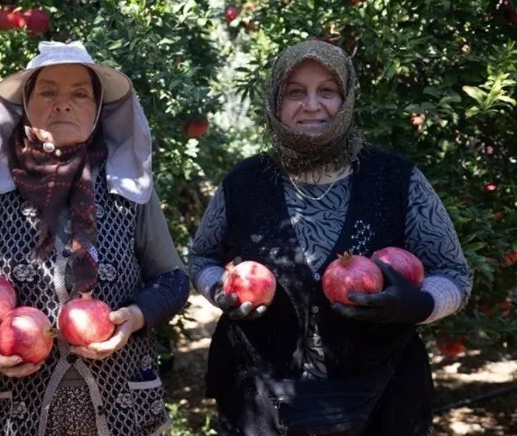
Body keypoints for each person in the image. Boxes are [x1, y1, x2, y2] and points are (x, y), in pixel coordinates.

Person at [188, 40, 472, 436]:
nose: (311, 105)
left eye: (327, 90)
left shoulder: (396, 179)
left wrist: (421, 304)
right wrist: (219, 290)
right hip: (262, 400)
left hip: (381, 398)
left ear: (347, 99)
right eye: (295, 92)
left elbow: (454, 273)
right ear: (276, 102)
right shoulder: (243, 183)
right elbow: (201, 257)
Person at [0, 41, 190, 436]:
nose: (63, 105)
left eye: (80, 94)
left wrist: (135, 317)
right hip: (10, 410)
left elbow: (173, 279)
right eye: (47, 92)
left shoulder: (127, 182)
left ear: (98, 108)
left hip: (120, 406)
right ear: (25, 103)